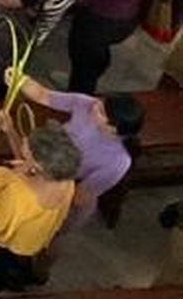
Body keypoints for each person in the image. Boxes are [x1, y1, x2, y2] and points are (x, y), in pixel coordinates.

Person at [0, 118, 83, 297]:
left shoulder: (17, 195)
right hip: (23, 245)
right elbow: (30, 163)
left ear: (38, 165)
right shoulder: (65, 180)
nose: (25, 139)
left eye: (29, 144)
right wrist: (10, 130)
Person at [13, 78, 143, 222]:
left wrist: (41, 178)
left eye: (100, 111)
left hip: (58, 187)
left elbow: (80, 197)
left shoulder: (118, 162)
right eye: (100, 101)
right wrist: (19, 79)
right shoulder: (87, 103)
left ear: (113, 128)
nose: (94, 105)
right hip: (45, 157)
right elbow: (43, 95)